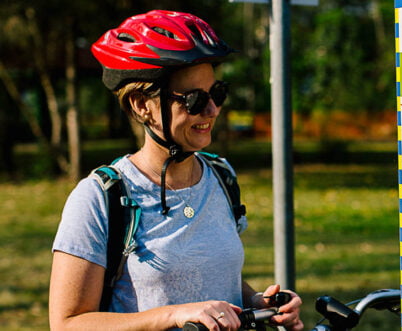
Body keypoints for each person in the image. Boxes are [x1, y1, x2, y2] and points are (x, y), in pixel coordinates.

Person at [49, 10, 303, 331]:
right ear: (143, 105)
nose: (212, 110)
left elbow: (211, 279)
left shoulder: (221, 176)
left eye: (217, 93)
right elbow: (68, 323)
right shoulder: (101, 198)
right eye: (195, 99)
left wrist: (257, 303)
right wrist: (172, 315)